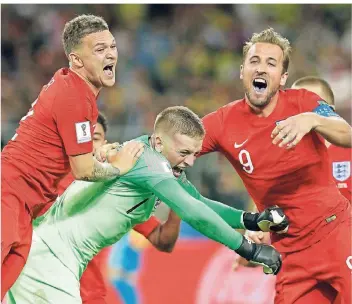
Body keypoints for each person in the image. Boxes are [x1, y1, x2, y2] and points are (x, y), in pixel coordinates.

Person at [8, 106, 288, 304]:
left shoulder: (161, 165)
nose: (191, 162)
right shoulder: (146, 162)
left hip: (52, 257)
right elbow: (193, 213)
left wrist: (251, 220)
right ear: (157, 141)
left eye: (194, 153)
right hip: (50, 259)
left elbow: (198, 202)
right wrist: (248, 249)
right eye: (184, 152)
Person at [200, 28, 352, 304]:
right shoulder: (221, 123)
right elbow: (175, 146)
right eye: (255, 61)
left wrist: (312, 120)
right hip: (291, 253)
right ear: (242, 69)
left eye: (271, 63)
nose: (261, 68)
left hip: (338, 233)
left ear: (282, 78)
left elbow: (347, 134)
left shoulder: (304, 103)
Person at [1, 14, 144, 299]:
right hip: (10, 195)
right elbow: (83, 170)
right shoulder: (75, 96)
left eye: (112, 47)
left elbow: (66, 149)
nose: (111, 55)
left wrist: (97, 154)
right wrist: (118, 169)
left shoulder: (71, 87)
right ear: (77, 60)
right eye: (99, 49)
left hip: (25, 205)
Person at [292, 76, 351, 202]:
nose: (301, 114)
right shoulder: (279, 155)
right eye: (294, 105)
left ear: (331, 111)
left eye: (310, 103)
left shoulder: (348, 151)